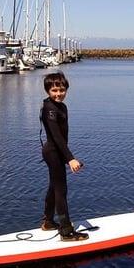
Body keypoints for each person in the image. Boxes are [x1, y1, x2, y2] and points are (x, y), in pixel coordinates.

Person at [40, 70, 88, 241]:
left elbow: (61, 139)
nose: (58, 94)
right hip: (53, 152)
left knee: (54, 186)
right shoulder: (50, 109)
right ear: (48, 91)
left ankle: (47, 222)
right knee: (61, 190)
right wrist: (70, 159)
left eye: (61, 90)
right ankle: (66, 231)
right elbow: (56, 137)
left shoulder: (61, 106)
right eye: (54, 90)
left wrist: (67, 156)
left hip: (57, 151)